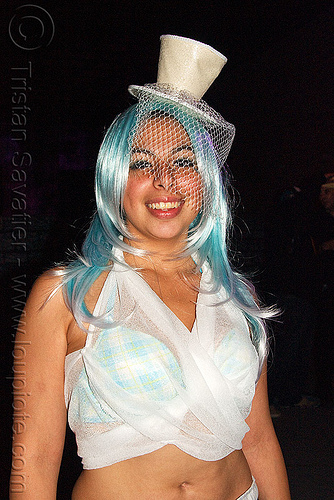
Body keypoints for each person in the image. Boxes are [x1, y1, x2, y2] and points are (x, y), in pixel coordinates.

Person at [10, 35, 290, 500]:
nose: (165, 181)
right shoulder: (65, 295)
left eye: (184, 162)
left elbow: (257, 437)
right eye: (143, 163)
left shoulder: (239, 296)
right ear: (115, 178)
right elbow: (34, 459)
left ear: (205, 182)